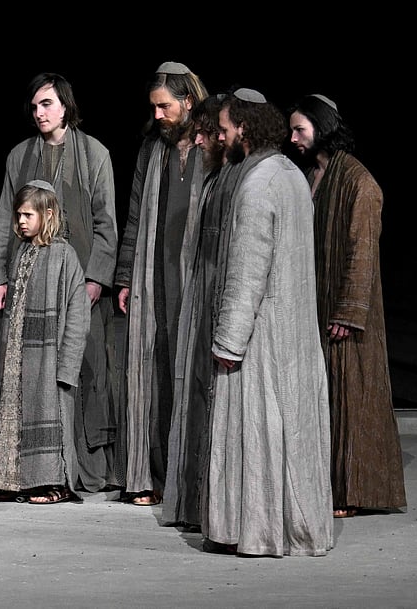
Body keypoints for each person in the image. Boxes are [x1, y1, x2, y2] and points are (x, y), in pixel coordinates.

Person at [203, 87, 333, 557]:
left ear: (243, 128)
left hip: (264, 333)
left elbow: (247, 272)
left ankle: (257, 531)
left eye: (223, 129)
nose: (219, 136)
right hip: (295, 329)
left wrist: (229, 342)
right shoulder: (291, 175)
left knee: (260, 431)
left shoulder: (257, 185)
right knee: (290, 431)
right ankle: (294, 525)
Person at [0, 72, 121, 494]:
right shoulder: (20, 156)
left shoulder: (94, 154)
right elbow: (4, 222)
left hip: (77, 283)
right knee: (21, 373)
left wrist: (96, 277)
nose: (39, 112)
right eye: (34, 106)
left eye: (46, 104)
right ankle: (20, 469)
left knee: (79, 371)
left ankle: (77, 467)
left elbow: (106, 224)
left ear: (65, 105)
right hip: (28, 283)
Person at [289, 93, 406, 519]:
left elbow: (362, 253)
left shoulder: (359, 182)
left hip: (345, 312)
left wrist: (349, 311)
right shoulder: (311, 174)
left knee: (352, 396)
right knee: (327, 395)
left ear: (322, 127)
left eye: (300, 129)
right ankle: (328, 483)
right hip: (316, 302)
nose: (293, 137)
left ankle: (354, 490)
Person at [114, 61, 209, 506]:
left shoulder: (213, 147)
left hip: (194, 277)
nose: (157, 115)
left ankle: (191, 479)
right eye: (154, 108)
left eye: (165, 107)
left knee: (189, 373)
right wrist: (127, 275)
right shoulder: (152, 151)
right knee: (155, 376)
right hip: (155, 279)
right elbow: (135, 214)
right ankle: (152, 476)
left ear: (188, 102)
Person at [160, 93, 242, 529]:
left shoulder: (237, 177)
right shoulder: (212, 177)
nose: (199, 141)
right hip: (201, 295)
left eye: (206, 134)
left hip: (221, 301)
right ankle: (196, 503)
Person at [0, 181, 91, 504]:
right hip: (20, 353)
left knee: (50, 414)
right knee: (16, 413)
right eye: (18, 215)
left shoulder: (63, 256)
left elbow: (78, 311)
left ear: (48, 215)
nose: (21, 221)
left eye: (28, 214)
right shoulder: (23, 253)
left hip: (49, 357)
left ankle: (52, 483)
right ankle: (16, 479)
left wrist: (67, 363)